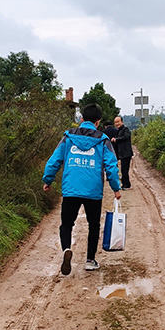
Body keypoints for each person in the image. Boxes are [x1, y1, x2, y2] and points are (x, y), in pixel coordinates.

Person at [43, 103, 122, 274]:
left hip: (71, 188)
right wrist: (116, 188)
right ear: (98, 122)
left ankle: (66, 250)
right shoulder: (103, 140)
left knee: (66, 224)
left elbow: (54, 160)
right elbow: (111, 167)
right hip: (93, 191)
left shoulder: (68, 136)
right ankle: (90, 260)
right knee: (93, 225)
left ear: (82, 119)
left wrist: (47, 180)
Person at [112, 115, 133, 188]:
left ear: (122, 122)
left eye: (118, 122)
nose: (117, 124)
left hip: (126, 153)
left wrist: (116, 139)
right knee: (123, 170)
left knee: (125, 170)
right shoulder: (118, 131)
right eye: (115, 122)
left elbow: (125, 137)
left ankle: (126, 185)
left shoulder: (125, 129)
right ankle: (125, 183)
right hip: (122, 153)